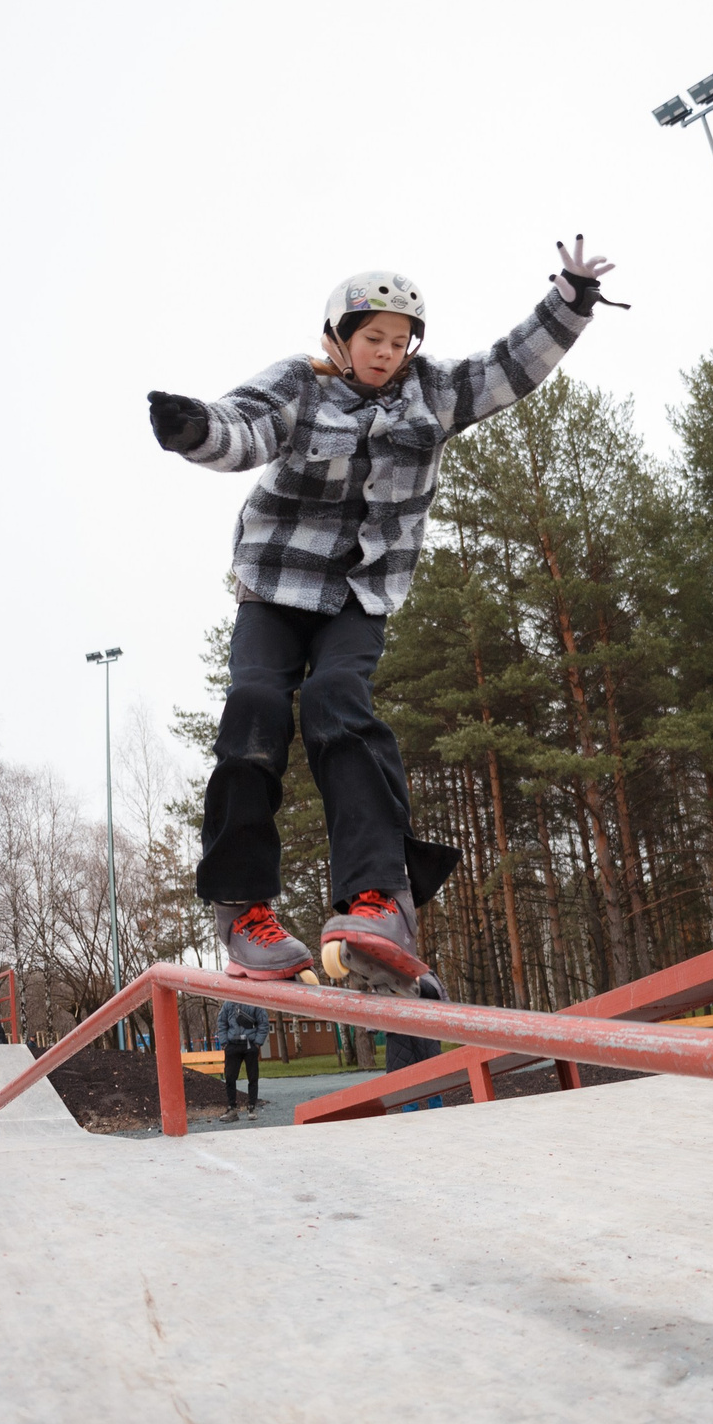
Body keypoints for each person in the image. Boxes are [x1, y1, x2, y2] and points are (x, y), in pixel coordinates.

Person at [149, 240, 624, 995]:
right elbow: (244, 426)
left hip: (360, 596)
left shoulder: (430, 393)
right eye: (372, 339)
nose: (385, 354)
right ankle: (243, 907)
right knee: (256, 707)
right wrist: (193, 431)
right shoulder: (301, 384)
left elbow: (508, 369)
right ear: (339, 335)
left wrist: (569, 301)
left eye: (399, 343)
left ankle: (377, 897)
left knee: (340, 703)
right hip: (276, 585)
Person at [217, 998, 269, 1116]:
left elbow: (263, 1023)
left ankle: (252, 1106)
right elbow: (221, 1022)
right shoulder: (228, 1003)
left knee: (253, 1077)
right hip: (233, 1045)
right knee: (230, 1077)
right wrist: (225, 1042)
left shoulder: (255, 1002)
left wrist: (257, 1043)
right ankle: (232, 1107)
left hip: (250, 1044)